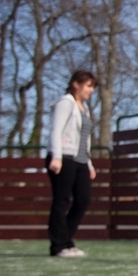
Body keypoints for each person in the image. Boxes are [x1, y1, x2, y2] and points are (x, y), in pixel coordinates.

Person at [46, 71, 99, 258]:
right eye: (88, 85)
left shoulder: (85, 108)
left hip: (81, 160)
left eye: (93, 87)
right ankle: (58, 246)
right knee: (61, 201)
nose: (91, 90)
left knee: (83, 199)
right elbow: (56, 130)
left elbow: (85, 139)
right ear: (75, 84)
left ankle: (65, 239)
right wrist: (57, 157)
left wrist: (89, 164)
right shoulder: (65, 102)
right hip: (64, 158)